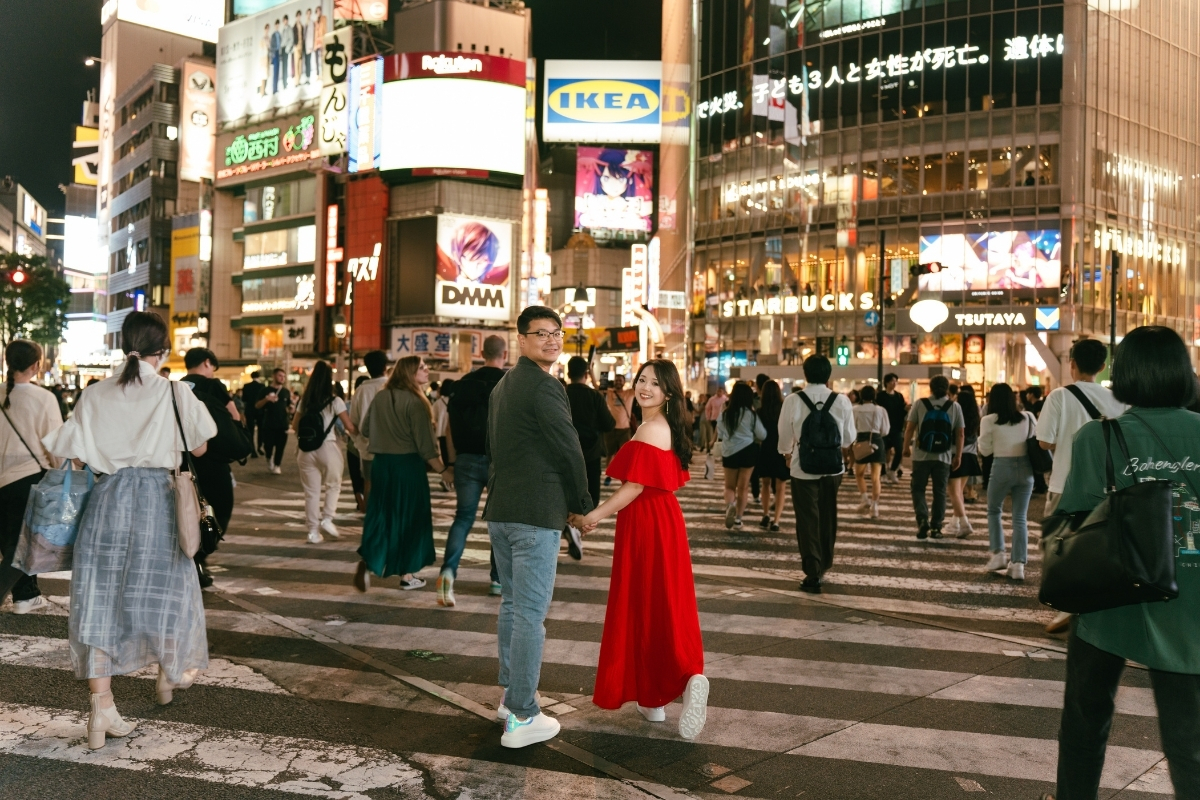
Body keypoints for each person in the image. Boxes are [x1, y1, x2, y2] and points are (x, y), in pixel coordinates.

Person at [43, 312, 216, 748]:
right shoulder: (176, 392)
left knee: (99, 600)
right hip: (159, 500)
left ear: (124, 345)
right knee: (167, 590)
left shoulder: (94, 393)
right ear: (165, 350)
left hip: (108, 501)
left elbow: (74, 453)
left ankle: (101, 711)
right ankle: (168, 675)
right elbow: (200, 446)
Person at [1042, 326, 1200, 800]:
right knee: (1189, 744)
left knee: (1085, 726)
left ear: (1124, 373)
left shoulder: (1099, 438)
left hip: (1109, 598)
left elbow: (1076, 520)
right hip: (1189, 607)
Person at [569, 359, 708, 739]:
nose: (645, 387)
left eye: (655, 384)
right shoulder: (663, 428)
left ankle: (684, 675)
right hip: (662, 521)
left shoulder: (651, 428)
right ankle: (656, 697)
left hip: (646, 522)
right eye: (642, 380)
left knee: (646, 603)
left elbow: (633, 488)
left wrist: (591, 516)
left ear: (668, 393)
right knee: (663, 601)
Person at [484, 306, 592, 749]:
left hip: (504, 509)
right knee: (529, 613)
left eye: (557, 333)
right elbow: (568, 446)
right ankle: (524, 715)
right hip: (535, 512)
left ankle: (511, 698)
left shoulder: (504, 385)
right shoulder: (546, 386)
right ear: (521, 340)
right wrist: (582, 504)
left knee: (512, 606)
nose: (551, 340)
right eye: (541, 334)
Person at [1035, 338, 1127, 633]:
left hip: (1066, 481)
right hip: (1108, 484)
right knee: (1101, 542)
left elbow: (1044, 441)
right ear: (1102, 367)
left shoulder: (1059, 396)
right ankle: (1098, 603)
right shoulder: (1118, 399)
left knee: (1059, 543)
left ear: (1071, 364)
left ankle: (1067, 605)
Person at [356, 356, 446, 592]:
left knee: (381, 515)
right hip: (408, 468)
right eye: (422, 368)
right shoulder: (417, 402)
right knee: (410, 519)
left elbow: (365, 430)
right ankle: (407, 575)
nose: (428, 371)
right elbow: (426, 447)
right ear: (410, 373)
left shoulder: (381, 396)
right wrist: (444, 471)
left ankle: (367, 563)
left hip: (382, 465)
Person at [778, 355, 856, 593]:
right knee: (828, 514)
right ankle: (825, 563)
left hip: (803, 468)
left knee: (807, 519)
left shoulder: (793, 399)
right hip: (833, 468)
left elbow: (783, 434)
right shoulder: (841, 401)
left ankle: (812, 570)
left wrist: (786, 453)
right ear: (828, 375)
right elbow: (849, 438)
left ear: (805, 374)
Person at [441, 335, 508, 604]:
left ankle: (448, 571)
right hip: (499, 462)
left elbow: (448, 429)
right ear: (504, 354)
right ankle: (496, 580)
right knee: (499, 521)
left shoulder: (462, 385)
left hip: (466, 460)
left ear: (482, 353)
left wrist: (451, 462)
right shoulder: (509, 384)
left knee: (463, 518)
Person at [0, 340, 62, 613]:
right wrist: (60, 471)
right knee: (21, 545)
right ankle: (18, 593)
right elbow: (55, 444)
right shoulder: (43, 398)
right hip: (27, 477)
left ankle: (26, 594)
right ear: (36, 365)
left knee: (11, 540)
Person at [180, 347, 241, 587]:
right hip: (213, 461)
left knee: (188, 511)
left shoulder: (178, 386)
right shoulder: (214, 386)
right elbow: (235, 417)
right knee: (219, 511)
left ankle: (191, 557)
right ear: (207, 362)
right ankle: (200, 556)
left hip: (185, 462)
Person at [976, 383, 1034, 581]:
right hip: (1026, 468)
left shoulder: (989, 420)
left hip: (1002, 466)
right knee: (1020, 517)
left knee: (994, 510)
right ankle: (1018, 564)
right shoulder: (1028, 417)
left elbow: (985, 451)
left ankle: (999, 554)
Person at [292, 360, 354, 544]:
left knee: (311, 492)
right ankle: (327, 519)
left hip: (305, 450)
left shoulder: (305, 401)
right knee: (333, 485)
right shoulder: (335, 401)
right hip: (328, 447)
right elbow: (349, 426)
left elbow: (295, 426)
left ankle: (313, 532)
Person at [903, 375, 964, 540]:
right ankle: (936, 527)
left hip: (921, 455)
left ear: (930, 387)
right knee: (940, 491)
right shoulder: (954, 406)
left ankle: (922, 519)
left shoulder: (920, 404)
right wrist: (958, 455)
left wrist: (906, 448)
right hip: (943, 456)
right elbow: (960, 433)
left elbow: (910, 428)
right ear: (947, 389)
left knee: (918, 489)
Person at [565, 356, 615, 512]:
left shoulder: (561, 395)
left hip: (566, 453)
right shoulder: (595, 396)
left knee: (567, 492)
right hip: (591, 454)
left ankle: (570, 522)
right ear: (586, 374)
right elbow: (609, 424)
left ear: (568, 374)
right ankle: (583, 520)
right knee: (590, 496)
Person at [716, 382, 766, 529]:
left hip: (730, 452)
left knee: (729, 486)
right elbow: (762, 434)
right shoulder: (750, 414)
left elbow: (720, 433)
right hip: (748, 451)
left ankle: (730, 505)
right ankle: (738, 519)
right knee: (743, 487)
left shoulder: (725, 413)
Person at [349, 350, 389, 507]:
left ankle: (369, 515)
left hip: (367, 446)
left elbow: (353, 422)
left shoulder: (361, 390)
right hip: (392, 446)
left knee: (368, 482)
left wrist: (359, 441)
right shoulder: (392, 386)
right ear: (385, 366)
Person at [946, 383, 982, 538]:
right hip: (970, 456)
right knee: (958, 491)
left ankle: (965, 523)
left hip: (956, 455)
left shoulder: (955, 412)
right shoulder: (975, 415)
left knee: (953, 492)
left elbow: (956, 435)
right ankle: (955, 522)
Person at [754, 380, 790, 531]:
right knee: (781, 486)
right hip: (781, 450)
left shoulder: (760, 412)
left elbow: (757, 434)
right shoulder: (784, 410)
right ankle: (776, 521)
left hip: (765, 450)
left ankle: (766, 513)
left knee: (766, 484)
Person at [851, 384, 890, 519]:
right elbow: (885, 430)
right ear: (874, 396)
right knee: (875, 478)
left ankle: (864, 498)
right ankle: (874, 507)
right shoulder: (880, 410)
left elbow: (852, 427)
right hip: (877, 442)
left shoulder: (855, 409)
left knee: (859, 474)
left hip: (861, 442)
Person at [256, 368, 293, 473]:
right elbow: (257, 405)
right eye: (280, 375)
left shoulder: (285, 392)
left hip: (282, 423)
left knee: (281, 446)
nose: (282, 378)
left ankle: (277, 464)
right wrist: (266, 399)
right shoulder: (265, 390)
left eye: (284, 376)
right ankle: (269, 457)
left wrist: (291, 407)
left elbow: (288, 404)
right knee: (268, 445)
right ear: (274, 376)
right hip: (268, 423)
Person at [603, 373, 634, 485]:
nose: (618, 382)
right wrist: (591, 369)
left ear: (624, 382)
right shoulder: (609, 392)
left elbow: (638, 385)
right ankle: (608, 475)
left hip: (624, 429)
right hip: (611, 429)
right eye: (617, 380)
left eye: (620, 380)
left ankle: (625, 476)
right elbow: (598, 388)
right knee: (610, 453)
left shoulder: (629, 393)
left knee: (625, 454)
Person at [877, 373, 908, 484]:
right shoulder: (880, 396)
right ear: (886, 382)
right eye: (892, 381)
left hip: (896, 428)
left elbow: (901, 411)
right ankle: (883, 473)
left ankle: (892, 470)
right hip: (883, 427)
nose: (894, 383)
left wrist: (906, 409)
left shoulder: (899, 396)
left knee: (899, 450)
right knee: (882, 451)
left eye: (895, 381)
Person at [346, 375, 369, 512]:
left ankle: (359, 499)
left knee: (356, 476)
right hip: (369, 444)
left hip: (353, 444)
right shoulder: (375, 397)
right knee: (368, 477)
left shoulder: (349, 404)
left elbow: (348, 426)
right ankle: (365, 502)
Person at [432, 379, 455, 491]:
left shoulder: (438, 403)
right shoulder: (455, 400)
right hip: (453, 433)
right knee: (453, 458)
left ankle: (446, 480)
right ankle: (450, 480)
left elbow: (434, 418)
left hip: (441, 433)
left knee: (445, 458)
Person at [241, 370, 266, 458]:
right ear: (258, 377)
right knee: (261, 429)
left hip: (249, 409)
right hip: (260, 410)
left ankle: (253, 450)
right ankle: (260, 446)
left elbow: (244, 399)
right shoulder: (262, 386)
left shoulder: (246, 386)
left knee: (250, 430)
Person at [703, 385, 727, 453]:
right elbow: (707, 408)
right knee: (714, 433)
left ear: (723, 392)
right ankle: (713, 447)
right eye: (718, 391)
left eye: (720, 391)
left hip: (723, 419)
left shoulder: (725, 399)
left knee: (721, 434)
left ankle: (720, 449)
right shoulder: (712, 399)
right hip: (714, 418)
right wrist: (708, 417)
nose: (719, 392)